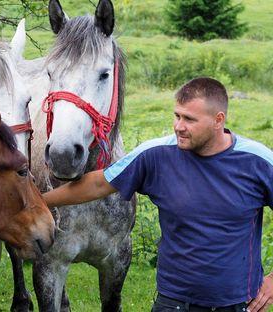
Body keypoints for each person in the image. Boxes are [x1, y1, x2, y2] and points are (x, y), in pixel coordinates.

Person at [43, 77, 273, 312]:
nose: (179, 126)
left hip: (238, 304)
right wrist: (37, 202)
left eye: (189, 119)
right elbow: (98, 184)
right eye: (177, 116)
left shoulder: (257, 161)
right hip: (173, 302)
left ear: (218, 120)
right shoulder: (156, 155)